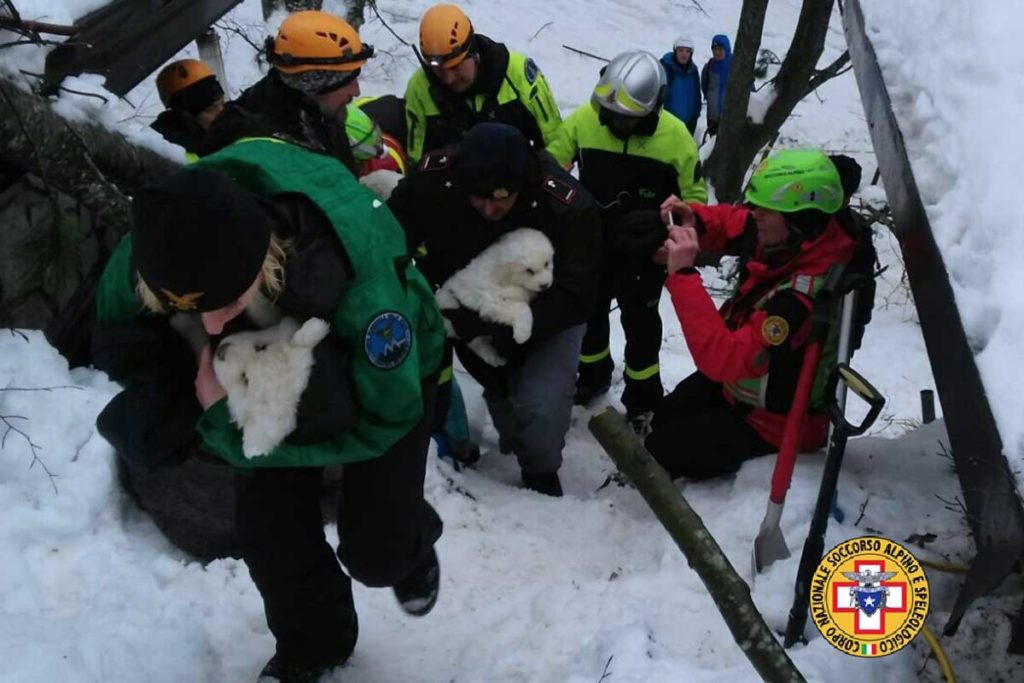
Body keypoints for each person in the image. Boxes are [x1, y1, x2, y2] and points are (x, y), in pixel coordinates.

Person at [92, 137, 446, 682]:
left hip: (388, 377)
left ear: (266, 259)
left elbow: (386, 419)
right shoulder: (151, 253)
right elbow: (122, 335)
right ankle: (316, 645)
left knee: (378, 550)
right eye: (191, 310)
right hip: (259, 356)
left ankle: (411, 545)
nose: (210, 327)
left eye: (226, 305)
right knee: (271, 534)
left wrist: (223, 425)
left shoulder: (363, 290)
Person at [388, 123, 602, 497]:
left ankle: (540, 473)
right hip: (464, 303)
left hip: (546, 314)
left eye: (501, 199)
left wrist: (506, 325)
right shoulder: (434, 182)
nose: (490, 209)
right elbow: (390, 239)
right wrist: (427, 288)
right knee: (501, 388)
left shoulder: (566, 205)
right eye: (479, 199)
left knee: (540, 405)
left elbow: (578, 292)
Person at [645, 149, 857, 480]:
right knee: (667, 415)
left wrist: (683, 275)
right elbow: (737, 223)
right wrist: (695, 220)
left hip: (772, 425)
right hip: (740, 391)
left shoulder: (799, 301)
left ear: (799, 220)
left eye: (765, 210)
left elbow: (723, 358)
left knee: (662, 448)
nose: (755, 214)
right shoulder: (795, 238)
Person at [546, 50, 707, 435]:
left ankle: (643, 397)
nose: (615, 122)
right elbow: (550, 167)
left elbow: (695, 201)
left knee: (642, 324)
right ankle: (594, 373)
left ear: (651, 111)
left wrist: (670, 236)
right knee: (589, 313)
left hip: (645, 251)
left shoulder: (675, 138)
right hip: (592, 243)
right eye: (611, 113)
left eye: (626, 117)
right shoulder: (586, 120)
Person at [202, 10, 370, 171]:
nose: (356, 92)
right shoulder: (249, 141)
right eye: (347, 81)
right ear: (313, 84)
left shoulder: (320, 115)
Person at [403, 3, 562, 163]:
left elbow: (557, 145)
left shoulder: (518, 74)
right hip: (450, 181)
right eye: (439, 70)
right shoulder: (419, 88)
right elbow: (415, 162)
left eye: (456, 67)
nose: (449, 79)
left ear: (473, 53)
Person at [151, 58, 225, 157]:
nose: (222, 112)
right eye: (210, 109)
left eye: (222, 104)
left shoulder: (227, 128)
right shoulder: (170, 155)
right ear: (184, 116)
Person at [661, 36, 701, 134]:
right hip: (667, 123)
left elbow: (697, 95)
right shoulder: (665, 68)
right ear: (675, 51)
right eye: (681, 50)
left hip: (688, 124)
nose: (684, 54)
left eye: (687, 51)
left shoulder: (693, 71)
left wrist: (695, 115)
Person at [700, 34, 732, 137]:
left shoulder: (736, 65)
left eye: (720, 49)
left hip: (731, 117)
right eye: (714, 49)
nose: (717, 52)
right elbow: (704, 85)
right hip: (712, 116)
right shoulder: (709, 66)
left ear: (726, 49)